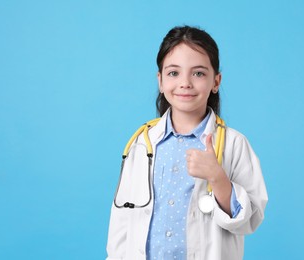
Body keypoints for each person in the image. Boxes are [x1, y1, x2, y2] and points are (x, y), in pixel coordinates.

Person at [106, 25, 268, 260]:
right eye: (173, 73)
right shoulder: (142, 144)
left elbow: (249, 219)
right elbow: (122, 219)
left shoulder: (234, 144)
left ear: (216, 81)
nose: (185, 83)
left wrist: (218, 178)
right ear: (160, 81)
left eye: (199, 73)